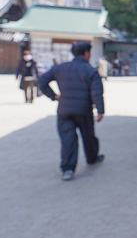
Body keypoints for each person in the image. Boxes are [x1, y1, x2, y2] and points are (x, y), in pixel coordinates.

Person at [37, 41, 105, 181]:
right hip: (84, 109)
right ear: (86, 53)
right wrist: (100, 110)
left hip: (64, 109)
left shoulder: (60, 68)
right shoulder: (90, 70)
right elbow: (97, 92)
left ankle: (68, 169)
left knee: (68, 139)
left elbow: (42, 81)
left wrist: (54, 96)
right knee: (88, 136)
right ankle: (92, 158)